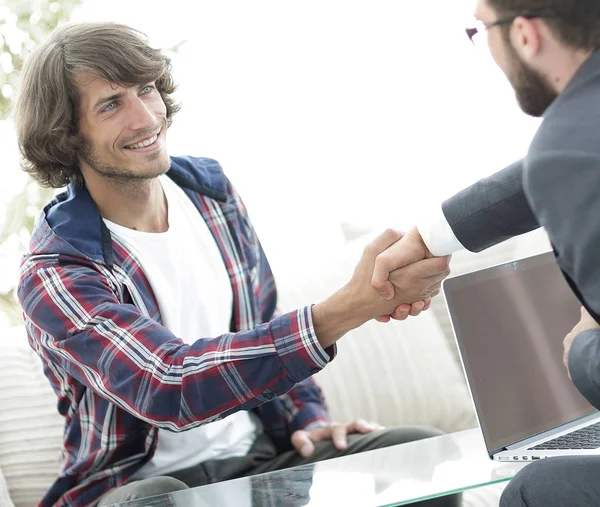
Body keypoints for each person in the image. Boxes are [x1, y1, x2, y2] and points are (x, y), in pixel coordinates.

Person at [14, 23, 457, 507]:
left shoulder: (210, 192)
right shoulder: (55, 270)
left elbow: (257, 321)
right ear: (66, 139)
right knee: (154, 501)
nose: (146, 118)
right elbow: (169, 386)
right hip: (137, 488)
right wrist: (350, 307)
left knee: (417, 452)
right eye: (111, 104)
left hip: (257, 462)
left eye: (145, 90)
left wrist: (306, 418)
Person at [370, 0, 600, 506]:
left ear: (525, 34)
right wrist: (428, 238)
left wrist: (584, 349)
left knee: (533, 492)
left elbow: (564, 161)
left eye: (482, 29)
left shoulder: (567, 149)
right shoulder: (577, 140)